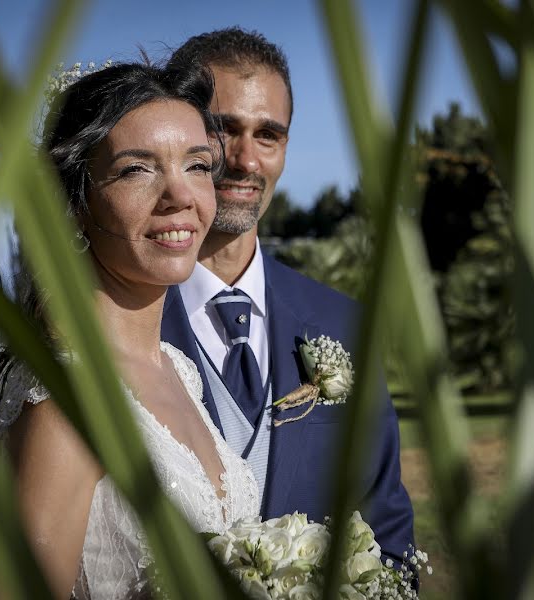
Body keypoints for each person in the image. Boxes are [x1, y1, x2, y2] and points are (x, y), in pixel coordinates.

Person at [0, 61, 260, 599]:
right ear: (77, 204)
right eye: (136, 170)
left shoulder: (179, 370)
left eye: (197, 165)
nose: (181, 196)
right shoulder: (68, 402)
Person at [162, 28, 416, 567]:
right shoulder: (111, 322)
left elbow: (389, 530)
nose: (247, 160)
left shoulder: (344, 324)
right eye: (222, 130)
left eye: (268, 135)